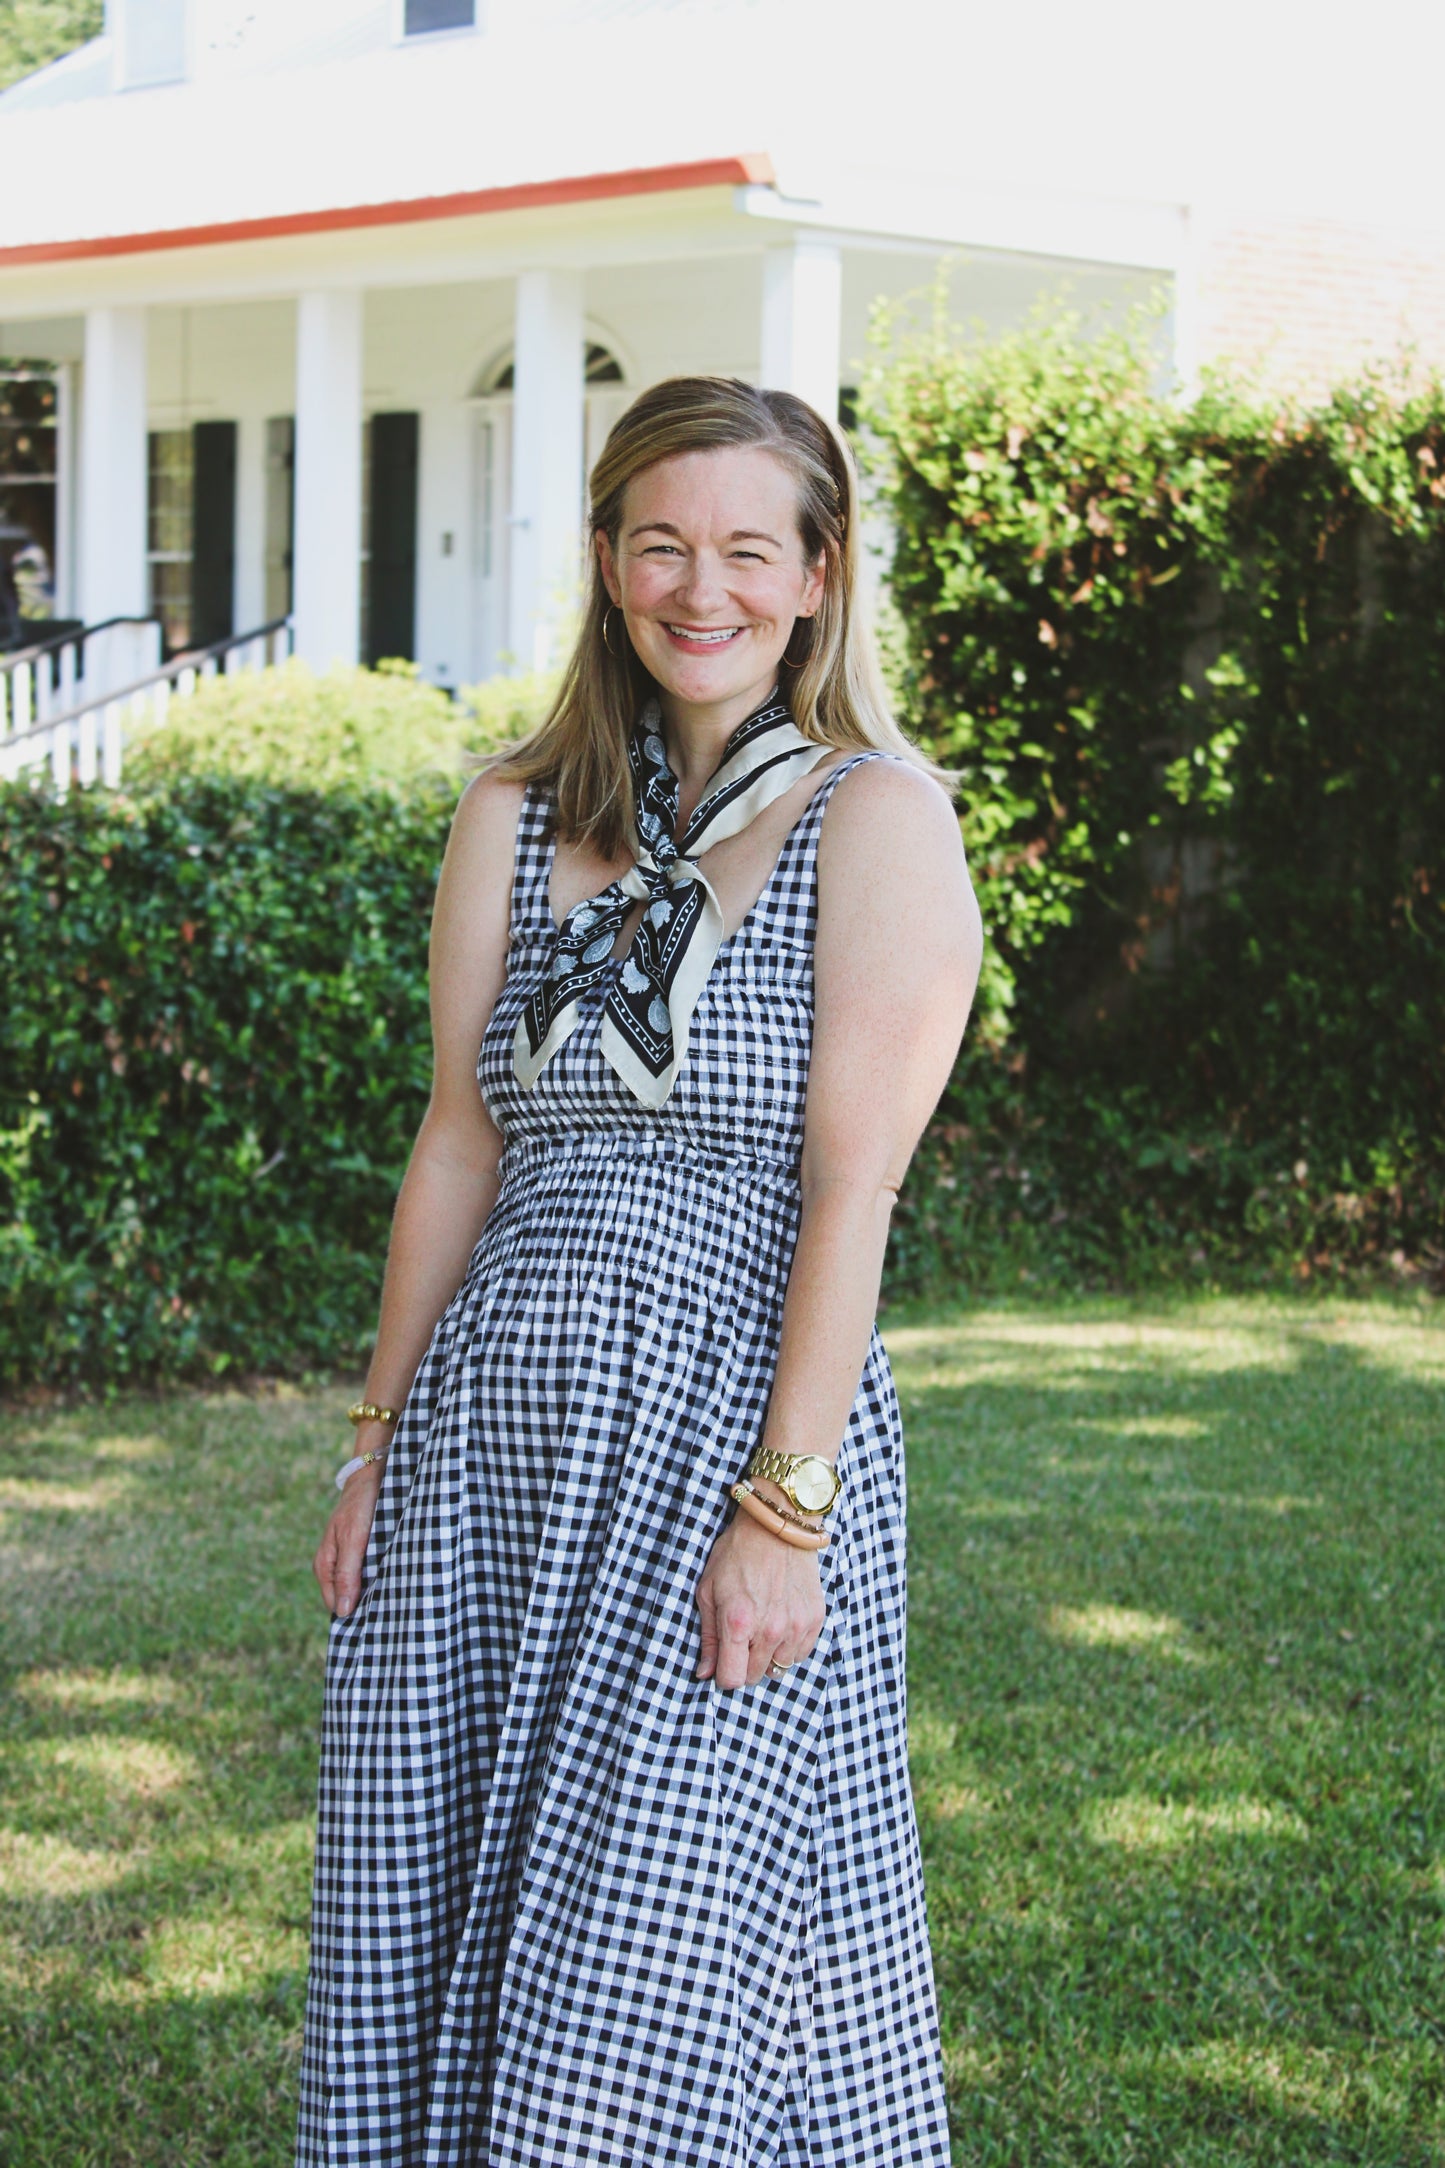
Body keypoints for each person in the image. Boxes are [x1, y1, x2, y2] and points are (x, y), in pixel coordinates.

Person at [298, 375, 981, 2166]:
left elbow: (855, 1188)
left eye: (750, 548)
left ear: (819, 576)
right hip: (496, 1434)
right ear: (604, 563)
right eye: (662, 543)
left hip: (717, 1435)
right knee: (435, 1899)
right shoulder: (513, 817)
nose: (704, 589)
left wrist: (786, 1508)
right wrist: (376, 1436)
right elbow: (459, 1140)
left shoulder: (875, 819)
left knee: (660, 1950)